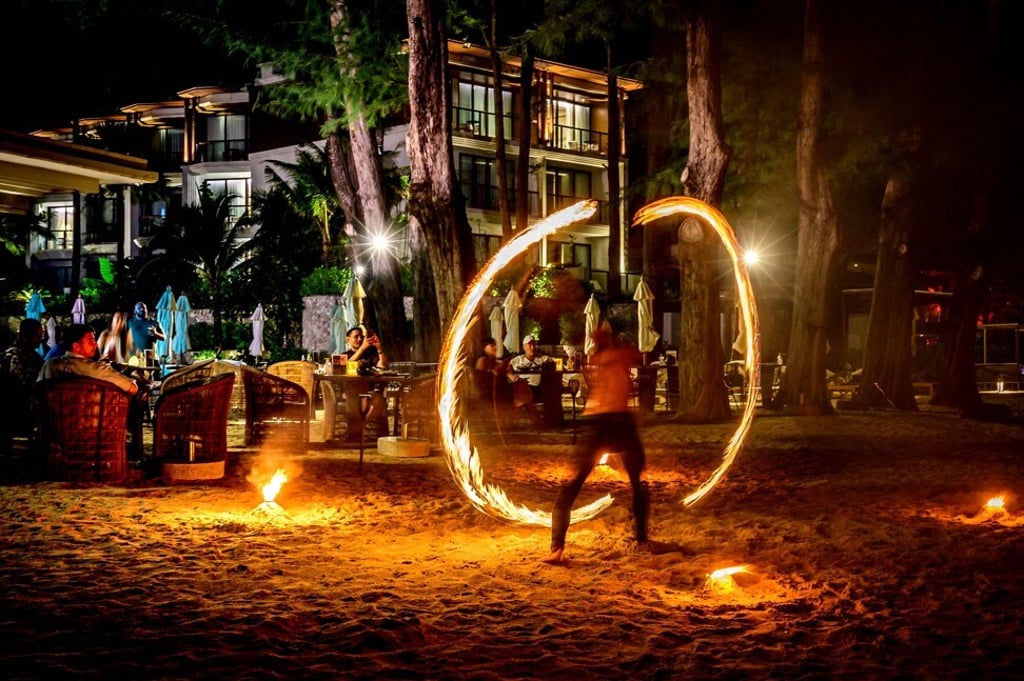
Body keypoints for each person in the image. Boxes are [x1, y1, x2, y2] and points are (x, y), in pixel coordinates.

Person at [542, 321, 649, 565]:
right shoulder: (616, 355)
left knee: (573, 484)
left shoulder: (594, 360)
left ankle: (557, 547)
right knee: (637, 483)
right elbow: (634, 354)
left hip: (603, 422)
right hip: (613, 422)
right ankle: (641, 538)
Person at [37, 324, 139, 395]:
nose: (95, 345)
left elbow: (37, 390)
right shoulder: (98, 369)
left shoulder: (49, 365)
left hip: (55, 418)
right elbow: (132, 388)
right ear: (76, 346)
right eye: (91, 341)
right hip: (94, 417)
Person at [1, 318, 47, 454]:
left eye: (41, 336)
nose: (40, 340)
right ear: (26, 337)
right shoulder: (13, 356)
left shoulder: (34, 357)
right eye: (37, 336)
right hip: (16, 409)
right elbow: (24, 385)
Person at [474, 337, 540, 427]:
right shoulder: (482, 360)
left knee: (522, 386)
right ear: (484, 348)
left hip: (501, 388)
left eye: (495, 345)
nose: (495, 347)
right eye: (492, 345)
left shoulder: (495, 361)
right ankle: (534, 420)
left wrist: (507, 371)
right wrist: (497, 371)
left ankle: (515, 420)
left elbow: (504, 372)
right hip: (492, 391)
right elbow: (482, 378)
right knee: (523, 391)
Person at [509, 334, 554, 400]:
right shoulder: (518, 360)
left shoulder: (542, 359)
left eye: (534, 345)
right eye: (530, 345)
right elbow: (504, 368)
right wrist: (512, 376)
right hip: (523, 389)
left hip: (538, 389)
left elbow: (556, 362)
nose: (532, 348)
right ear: (524, 347)